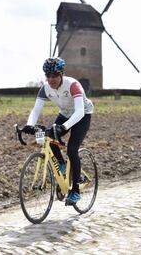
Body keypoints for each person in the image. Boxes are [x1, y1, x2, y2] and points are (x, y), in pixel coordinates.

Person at [22, 57, 94, 205]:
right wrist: (29, 125)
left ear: (62, 74)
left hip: (82, 115)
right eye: (48, 75)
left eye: (54, 75)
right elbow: (36, 110)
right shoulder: (45, 88)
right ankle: (62, 165)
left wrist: (65, 127)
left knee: (72, 149)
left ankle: (75, 190)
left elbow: (79, 111)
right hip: (65, 114)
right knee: (50, 138)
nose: (51, 79)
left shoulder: (73, 85)